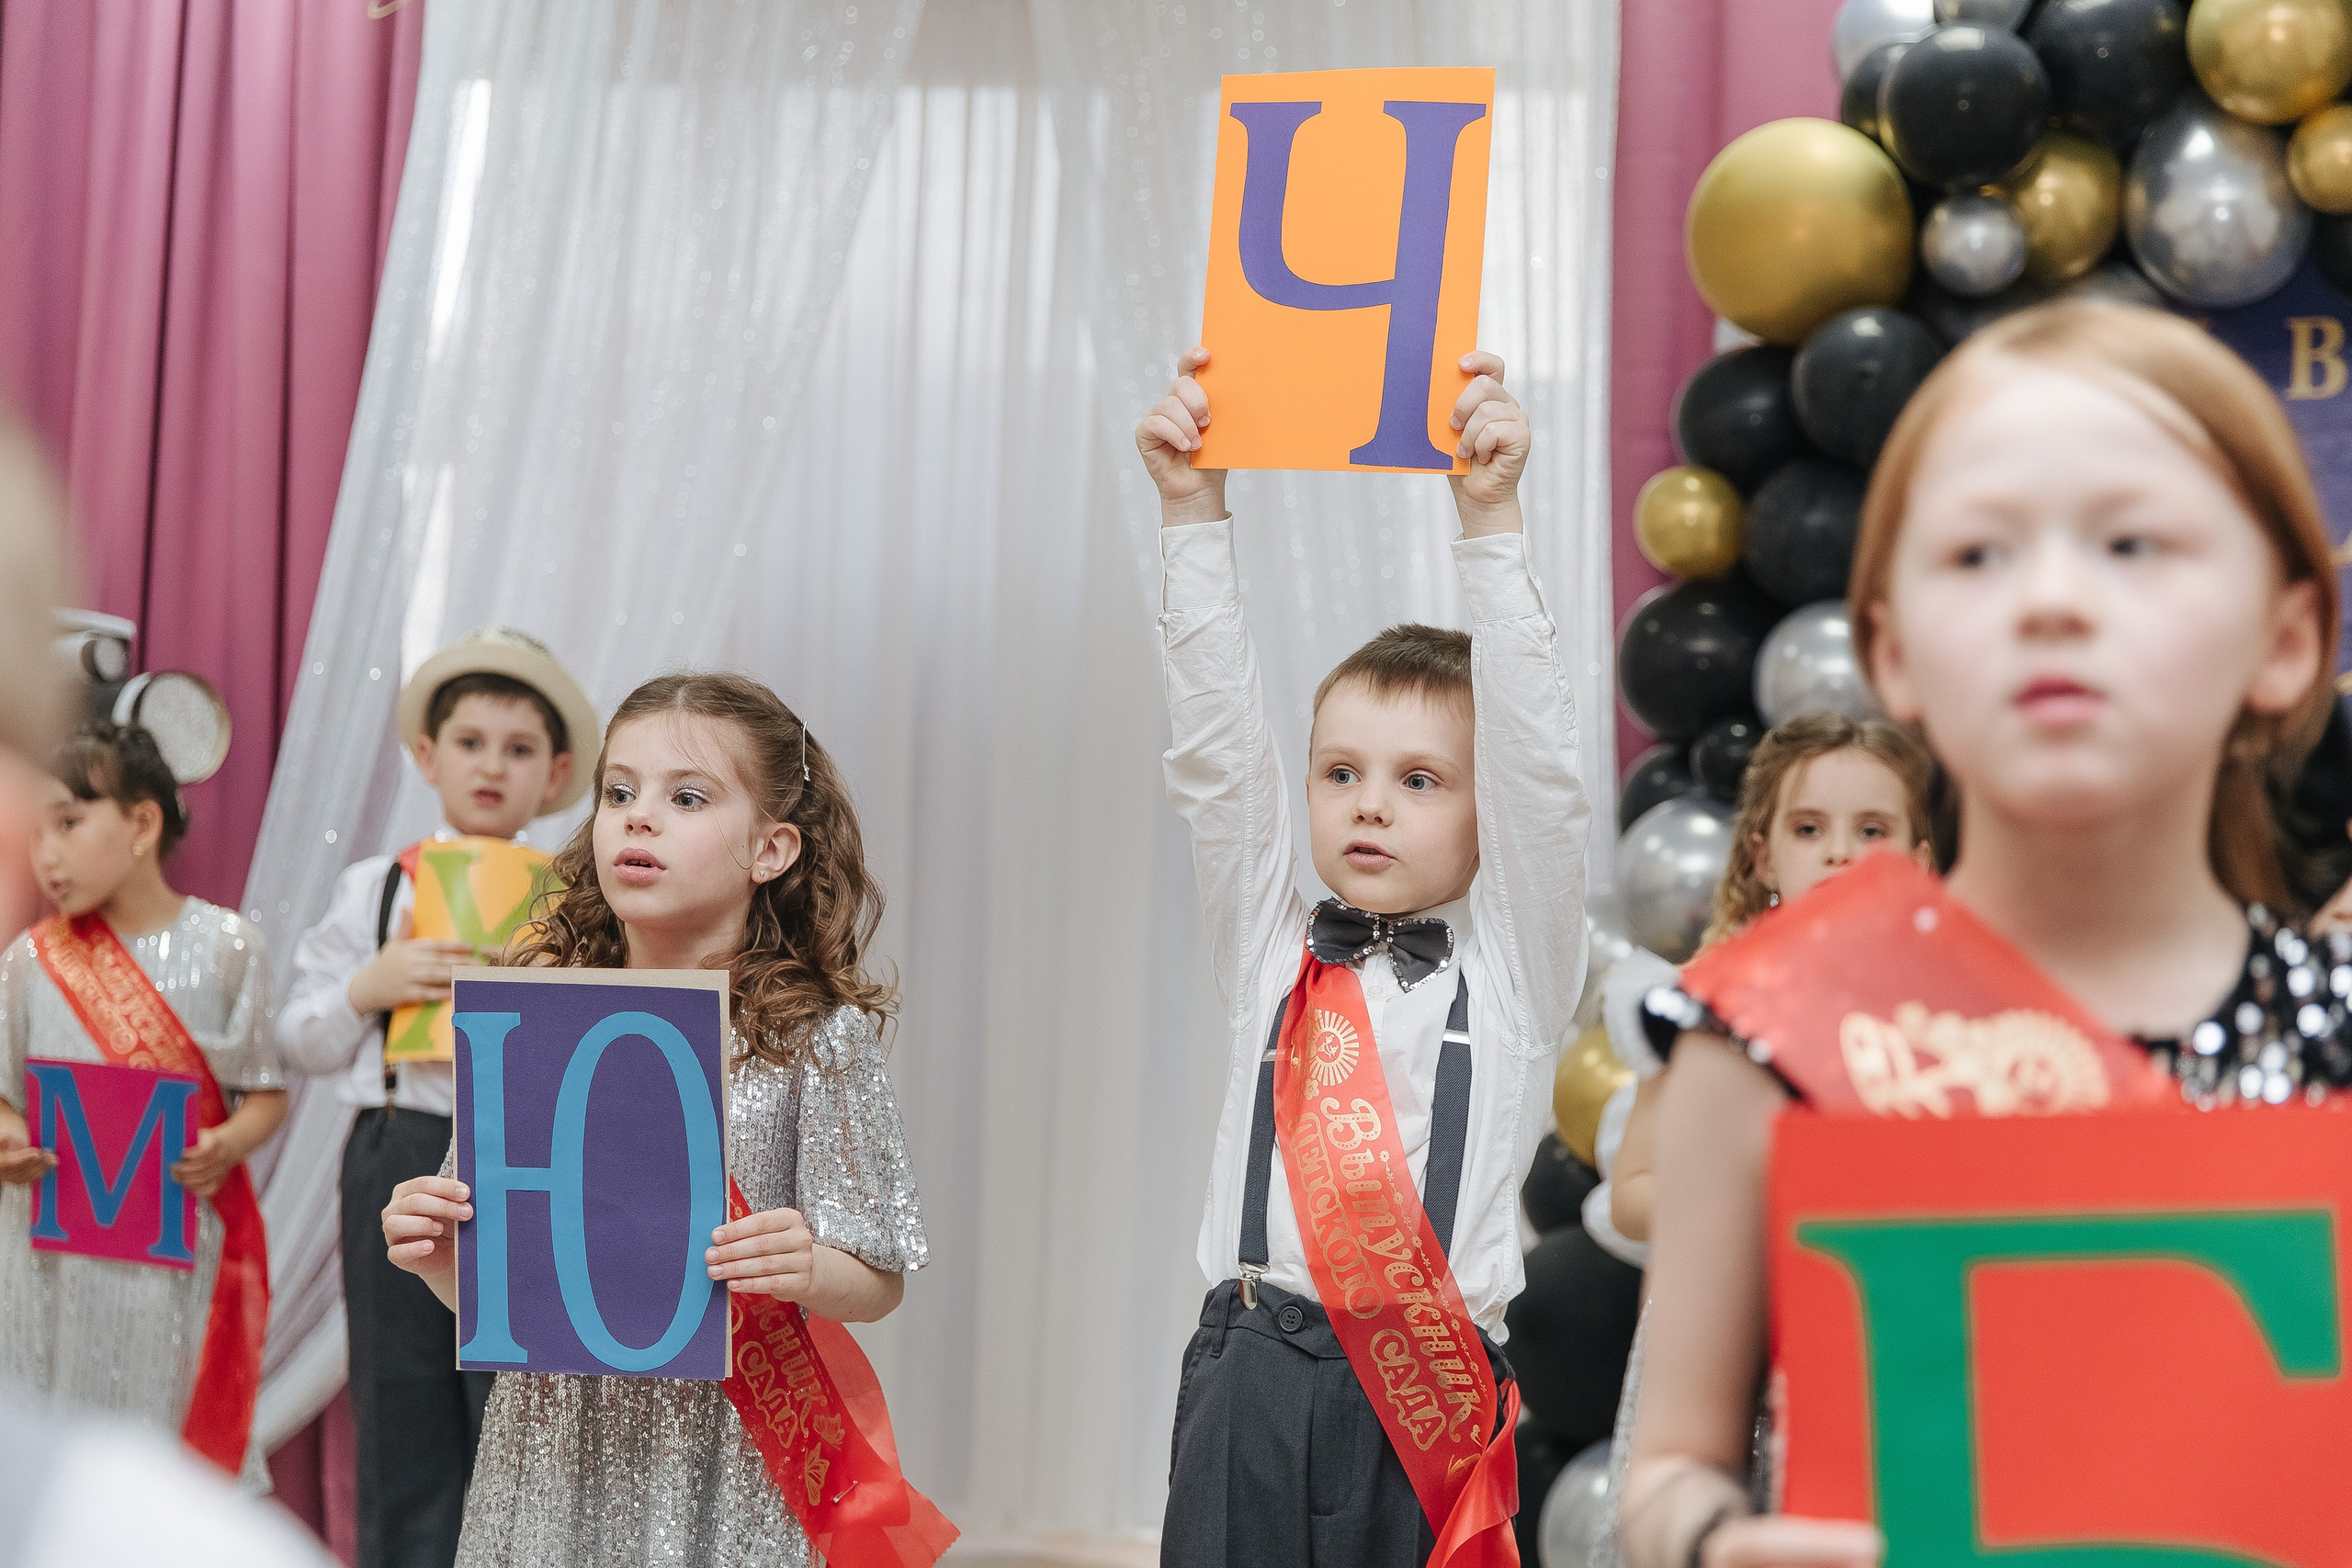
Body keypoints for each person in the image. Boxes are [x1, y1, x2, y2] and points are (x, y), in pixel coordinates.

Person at [1619, 301, 2352, 1568]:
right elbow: (1672, 1463)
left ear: (2286, 639)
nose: (2054, 599)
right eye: (1977, 554)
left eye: (2133, 541)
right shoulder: (1764, 1032)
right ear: (1892, 651)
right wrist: (1712, 1538)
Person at [1135, 346, 1590, 1565]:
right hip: (1251, 1375)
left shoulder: (1518, 968)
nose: (1370, 805)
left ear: (1486, 812)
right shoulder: (1271, 945)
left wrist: (1488, 519)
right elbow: (1219, 750)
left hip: (1430, 1389)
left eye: (1419, 778)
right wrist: (1193, 510)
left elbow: (1544, 773)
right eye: (1341, 772)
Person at [379, 673, 939, 1568]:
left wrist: (805, 1266)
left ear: (771, 848)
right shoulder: (531, 1018)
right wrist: (440, 1256)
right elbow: (498, 1283)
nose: (639, 818)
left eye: (687, 798)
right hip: (550, 1449)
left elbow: (877, 1280)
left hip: (730, 1453)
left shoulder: (814, 1037)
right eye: (618, 792)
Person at [275, 626, 595, 1568]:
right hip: (400, 1147)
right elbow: (295, 1038)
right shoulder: (376, 890)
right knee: (402, 1393)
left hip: (532, 1160)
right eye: (470, 742)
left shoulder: (579, 900)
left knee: (522, 1396)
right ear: (427, 756)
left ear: (555, 772)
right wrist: (370, 984)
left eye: (520, 748)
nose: (492, 766)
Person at [1589, 716, 1937, 1568]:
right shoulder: (1715, 1004)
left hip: (1884, 1340)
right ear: (1760, 855)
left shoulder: (1950, 1019)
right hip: (1721, 1347)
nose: (1840, 854)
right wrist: (1749, 1207)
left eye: (1874, 831)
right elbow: (1632, 1190)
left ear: (1923, 858)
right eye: (1809, 829)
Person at [0, 722, 288, 1487]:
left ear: (140, 822)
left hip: (176, 1250)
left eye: (66, 823)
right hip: (51, 1257)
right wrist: (12, 1138)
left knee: (165, 1456)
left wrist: (226, 1142)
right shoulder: (30, 960)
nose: (46, 857)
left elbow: (265, 1095)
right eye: (33, 835)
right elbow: (3, 1098)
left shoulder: (230, 946)